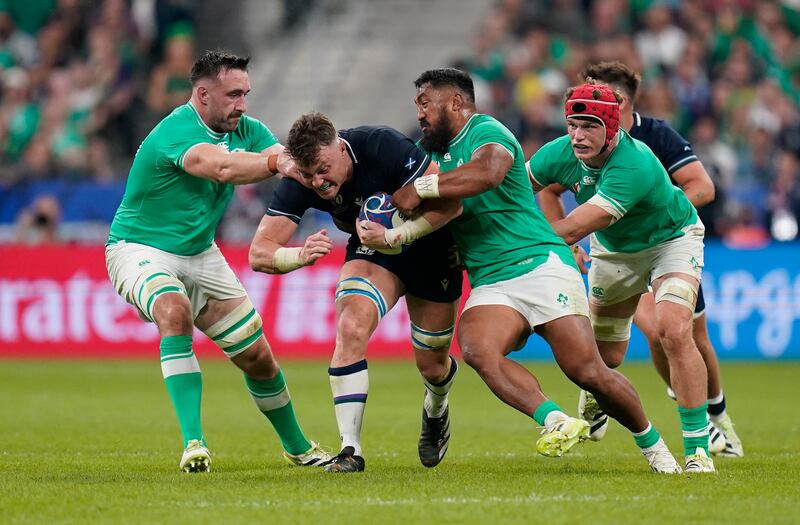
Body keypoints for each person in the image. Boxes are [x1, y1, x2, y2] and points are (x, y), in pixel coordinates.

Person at [359, 68, 682, 473]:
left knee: (587, 371)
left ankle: (654, 447)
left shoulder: (485, 131)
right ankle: (555, 419)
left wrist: (422, 189)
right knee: (477, 350)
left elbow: (489, 173)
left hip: (540, 263)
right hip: (491, 278)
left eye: (425, 103)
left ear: (455, 103)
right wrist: (394, 235)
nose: (419, 113)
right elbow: (448, 210)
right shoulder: (432, 156)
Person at [105, 50, 330, 473]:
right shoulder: (175, 132)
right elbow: (223, 167)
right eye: (233, 95)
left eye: (245, 94)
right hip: (139, 249)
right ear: (203, 94)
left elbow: (288, 161)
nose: (242, 104)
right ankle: (194, 442)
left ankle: (298, 447)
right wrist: (274, 161)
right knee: (174, 309)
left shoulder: (247, 129)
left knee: (258, 358)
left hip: (200, 254)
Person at [536, 61, 743, 457]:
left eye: (591, 120)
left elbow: (703, 187)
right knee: (608, 353)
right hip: (615, 250)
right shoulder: (565, 149)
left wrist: (657, 202)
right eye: (573, 122)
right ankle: (599, 389)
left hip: (672, 242)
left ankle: (706, 438)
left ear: (618, 108)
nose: (579, 131)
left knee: (675, 330)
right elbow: (531, 189)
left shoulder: (646, 148)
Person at [249, 112, 463, 473]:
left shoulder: (383, 145)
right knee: (350, 326)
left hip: (430, 247)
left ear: (340, 147)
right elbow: (259, 252)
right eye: (308, 173)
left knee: (433, 364)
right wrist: (299, 255)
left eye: (323, 168)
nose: (317, 181)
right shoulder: (300, 177)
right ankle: (350, 450)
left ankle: (436, 407)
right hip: (373, 252)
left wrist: (399, 235)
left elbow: (451, 204)